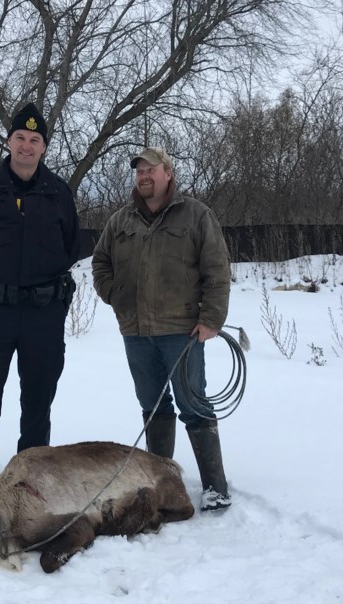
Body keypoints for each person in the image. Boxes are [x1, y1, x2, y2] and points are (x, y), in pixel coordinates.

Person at [91, 146, 233, 512]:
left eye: (151, 169)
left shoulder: (195, 215)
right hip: (136, 331)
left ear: (168, 172)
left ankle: (215, 487)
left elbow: (217, 269)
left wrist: (211, 318)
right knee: (152, 406)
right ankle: (162, 480)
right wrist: (113, 294)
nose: (144, 175)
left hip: (181, 330)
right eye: (139, 170)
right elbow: (100, 261)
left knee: (194, 404)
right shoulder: (121, 221)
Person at [0, 102, 81, 497]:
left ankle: (32, 483)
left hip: (43, 314)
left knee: (38, 401)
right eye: (20, 138)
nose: (27, 145)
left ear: (44, 147)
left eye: (35, 140)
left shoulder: (58, 193)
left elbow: (72, 246)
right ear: (8, 141)